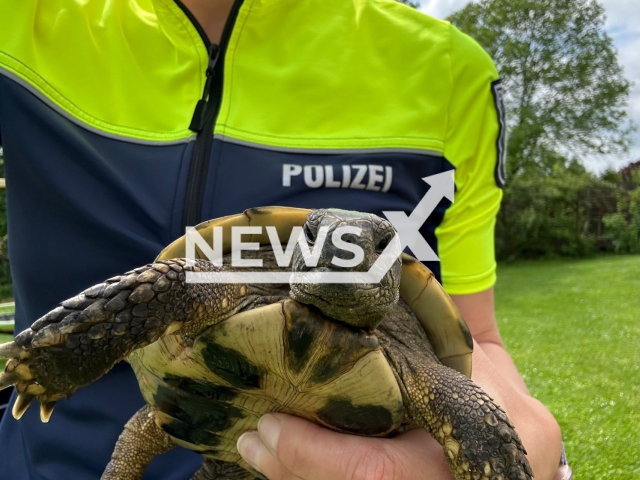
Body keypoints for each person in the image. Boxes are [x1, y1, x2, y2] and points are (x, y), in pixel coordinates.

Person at [0, 0, 566, 479]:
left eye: (366, 248)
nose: (340, 253)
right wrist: (48, 361)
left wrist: (530, 443)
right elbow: (168, 286)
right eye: (323, 241)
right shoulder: (23, 24)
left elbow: (480, 342)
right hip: (49, 461)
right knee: (175, 285)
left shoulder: (447, 71)